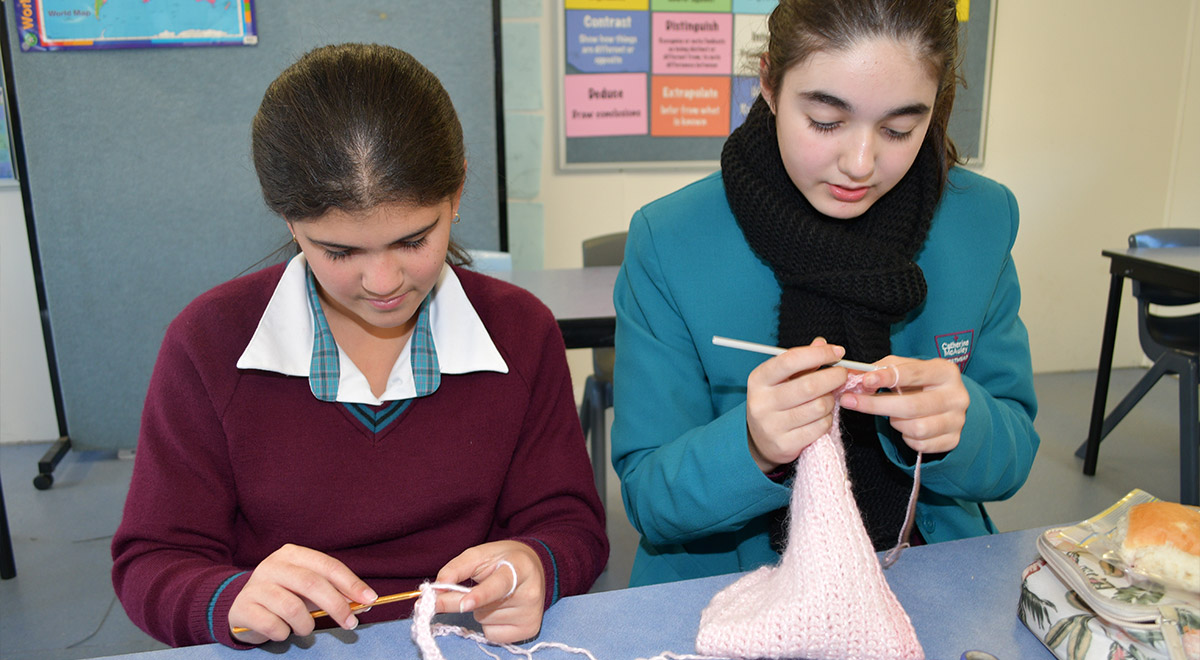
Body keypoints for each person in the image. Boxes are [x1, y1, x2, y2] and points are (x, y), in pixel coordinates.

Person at [111, 43, 607, 648]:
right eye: (339, 253)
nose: (383, 283)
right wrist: (230, 598)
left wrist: (536, 566)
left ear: (456, 193)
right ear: (289, 221)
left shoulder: (521, 332)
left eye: (413, 240)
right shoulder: (209, 343)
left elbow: (570, 525)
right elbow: (152, 560)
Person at [611, 0, 1039, 587]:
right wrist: (751, 446)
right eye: (826, 122)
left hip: (923, 571)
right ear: (768, 82)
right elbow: (648, 498)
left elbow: (1013, 455)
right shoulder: (672, 239)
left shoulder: (980, 221)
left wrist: (962, 427)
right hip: (732, 586)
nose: (860, 164)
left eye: (899, 129)